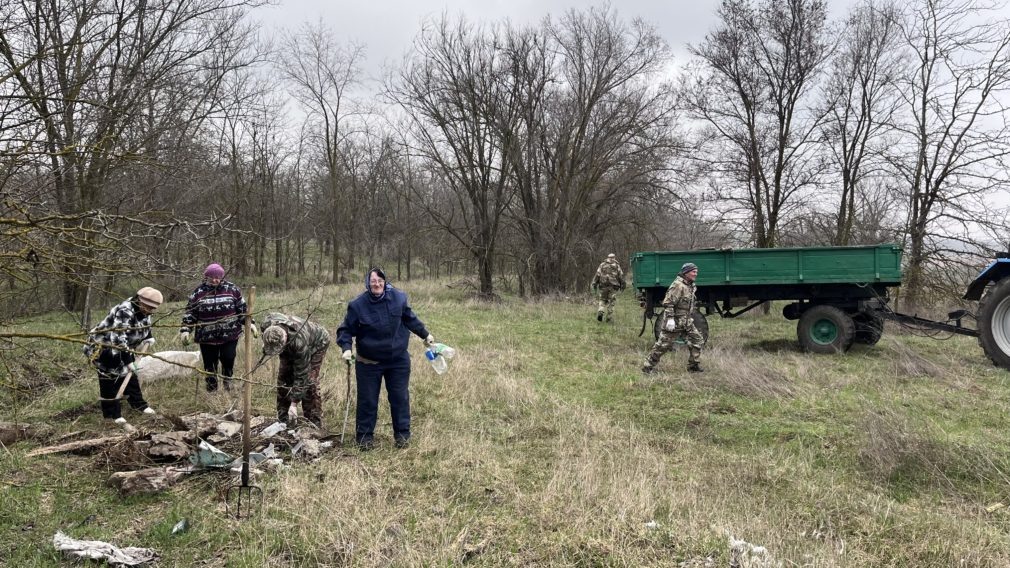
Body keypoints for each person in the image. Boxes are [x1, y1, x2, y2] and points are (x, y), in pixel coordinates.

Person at [337, 267, 436, 450]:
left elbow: (410, 319)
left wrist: (425, 334)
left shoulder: (399, 298)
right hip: (368, 362)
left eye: (380, 281)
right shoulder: (357, 305)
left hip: (397, 360)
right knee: (368, 400)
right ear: (368, 283)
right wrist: (346, 348)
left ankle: (402, 436)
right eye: (373, 281)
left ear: (385, 282)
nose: (377, 284)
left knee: (400, 398)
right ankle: (364, 438)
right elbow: (346, 330)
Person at [84, 287, 163, 428]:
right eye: (148, 307)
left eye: (153, 308)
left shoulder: (145, 311)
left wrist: (148, 337)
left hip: (123, 346)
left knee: (130, 377)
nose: (150, 310)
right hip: (103, 346)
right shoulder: (124, 310)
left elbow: (145, 324)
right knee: (109, 378)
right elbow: (119, 337)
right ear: (140, 301)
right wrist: (128, 360)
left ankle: (138, 404)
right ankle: (112, 414)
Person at [179, 263, 256, 392]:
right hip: (206, 337)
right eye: (212, 277)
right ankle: (212, 389)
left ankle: (228, 381)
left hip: (230, 334)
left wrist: (250, 323)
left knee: (228, 358)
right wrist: (185, 329)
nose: (215, 280)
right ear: (206, 277)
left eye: (218, 277)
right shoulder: (198, 293)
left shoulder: (232, 289)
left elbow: (242, 310)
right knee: (210, 364)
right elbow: (190, 312)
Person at [260, 313, 330, 428]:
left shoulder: (300, 343)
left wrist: (294, 403)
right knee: (283, 379)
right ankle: (284, 420)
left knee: (310, 382)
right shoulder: (267, 324)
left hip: (318, 342)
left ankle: (313, 423)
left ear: (285, 340)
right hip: (291, 343)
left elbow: (302, 375)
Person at [642, 262, 705, 373]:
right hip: (675, 321)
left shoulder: (690, 285)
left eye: (696, 271)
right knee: (663, 345)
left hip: (686, 321)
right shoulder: (678, 285)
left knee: (698, 340)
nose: (696, 274)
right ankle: (647, 367)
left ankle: (693, 366)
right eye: (693, 271)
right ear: (686, 273)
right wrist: (670, 319)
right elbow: (668, 303)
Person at [591, 253, 625, 323]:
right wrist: (623, 285)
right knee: (611, 302)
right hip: (613, 287)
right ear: (614, 257)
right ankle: (609, 318)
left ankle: (601, 311)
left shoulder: (602, 265)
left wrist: (594, 283)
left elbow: (597, 275)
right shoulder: (617, 265)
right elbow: (621, 276)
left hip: (603, 286)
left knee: (602, 300)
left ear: (607, 257)